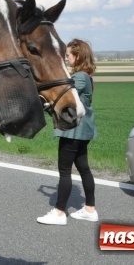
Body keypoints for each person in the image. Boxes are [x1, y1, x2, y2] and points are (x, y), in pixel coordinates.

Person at [37, 38, 98, 225]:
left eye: (68, 55)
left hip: (73, 130)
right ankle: (89, 209)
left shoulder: (79, 78)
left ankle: (59, 213)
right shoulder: (86, 76)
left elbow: (63, 93)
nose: (66, 59)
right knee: (83, 168)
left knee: (64, 171)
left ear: (77, 56)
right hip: (83, 130)